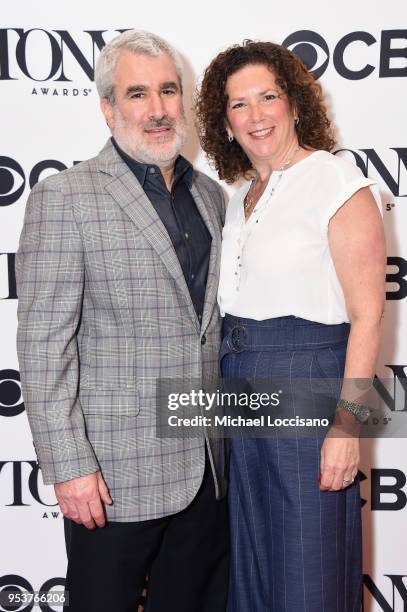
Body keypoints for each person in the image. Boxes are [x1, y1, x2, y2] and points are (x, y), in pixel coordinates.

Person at [15, 30, 229, 612]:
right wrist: (69, 466)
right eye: (138, 94)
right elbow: (42, 345)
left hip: (206, 472)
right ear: (108, 107)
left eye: (167, 90)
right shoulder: (66, 196)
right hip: (112, 477)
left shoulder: (210, 195)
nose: (157, 109)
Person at [195, 40, 386, 611]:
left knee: (309, 570)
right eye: (238, 104)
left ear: (296, 105)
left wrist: (347, 429)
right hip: (239, 385)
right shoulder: (236, 197)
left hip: (307, 382)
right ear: (224, 122)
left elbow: (368, 315)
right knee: (251, 570)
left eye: (268, 97)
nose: (256, 116)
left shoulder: (336, 182)